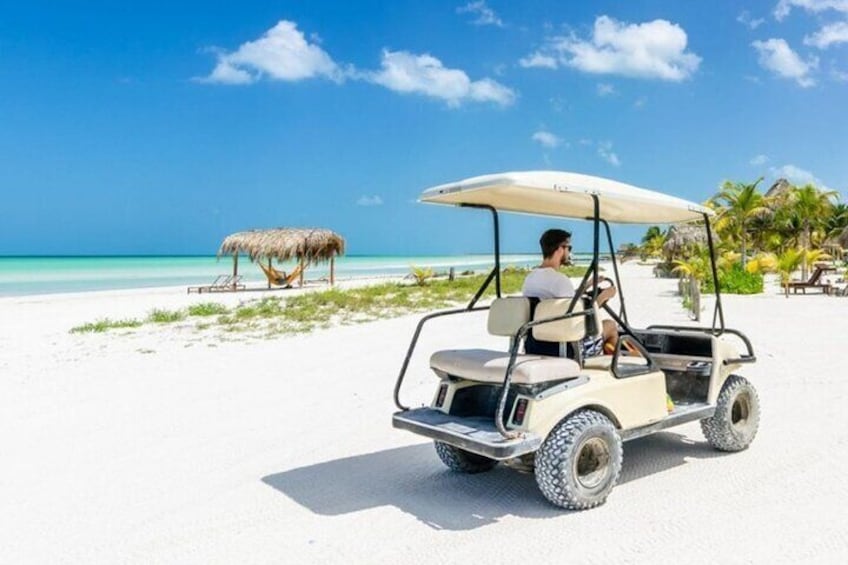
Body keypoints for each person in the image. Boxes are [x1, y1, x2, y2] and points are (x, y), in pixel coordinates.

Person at [522, 228, 618, 357]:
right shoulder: (560, 280)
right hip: (567, 350)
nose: (570, 253)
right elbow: (582, 316)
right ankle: (611, 369)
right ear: (560, 249)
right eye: (569, 248)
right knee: (610, 326)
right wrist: (603, 297)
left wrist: (586, 286)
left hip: (535, 345)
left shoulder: (530, 278)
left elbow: (562, 300)